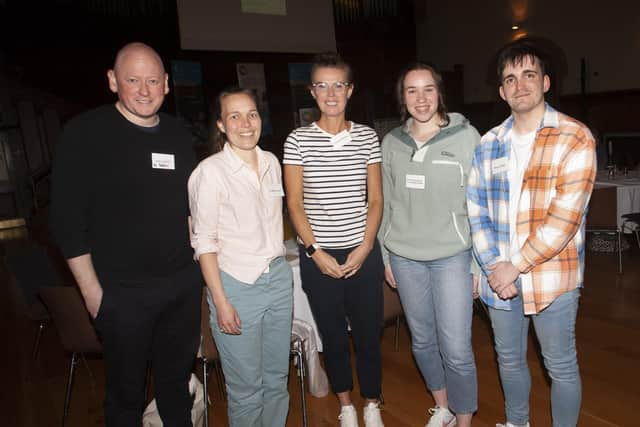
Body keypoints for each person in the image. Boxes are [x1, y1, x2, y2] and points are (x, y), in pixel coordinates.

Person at [49, 42, 202, 425]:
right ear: (113, 81)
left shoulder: (180, 135)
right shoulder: (85, 133)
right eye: (133, 80)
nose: (145, 90)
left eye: (153, 80)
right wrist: (93, 295)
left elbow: (189, 209)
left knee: (176, 390)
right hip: (121, 295)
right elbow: (66, 221)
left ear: (167, 84)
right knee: (125, 398)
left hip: (181, 290)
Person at [467, 38, 596, 427]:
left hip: (552, 276)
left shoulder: (574, 137)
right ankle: (517, 422)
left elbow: (564, 219)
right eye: (510, 78)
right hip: (499, 276)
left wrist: (515, 265)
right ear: (502, 91)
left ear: (545, 82)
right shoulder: (489, 144)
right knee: (508, 360)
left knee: (559, 366)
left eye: (528, 75)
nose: (519, 84)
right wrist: (492, 267)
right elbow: (476, 210)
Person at [283, 52, 385, 427]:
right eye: (322, 86)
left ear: (350, 90)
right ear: (312, 92)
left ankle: (371, 401)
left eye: (338, 85)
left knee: (368, 334)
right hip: (318, 255)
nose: (330, 93)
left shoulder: (367, 137)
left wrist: (366, 245)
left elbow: (375, 199)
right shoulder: (297, 141)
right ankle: (346, 404)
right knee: (333, 336)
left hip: (363, 251)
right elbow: (294, 204)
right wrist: (314, 251)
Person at [378, 62, 480, 427]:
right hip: (404, 257)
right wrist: (386, 254)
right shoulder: (391, 143)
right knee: (421, 340)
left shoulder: (467, 137)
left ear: (440, 93)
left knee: (456, 347)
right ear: (402, 98)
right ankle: (443, 407)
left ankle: (465, 418)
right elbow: (385, 203)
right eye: (411, 91)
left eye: (428, 90)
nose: (421, 99)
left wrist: (476, 265)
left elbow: (478, 204)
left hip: (453, 255)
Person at [188, 87, 293, 426]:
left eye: (252, 114)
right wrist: (220, 301)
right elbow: (204, 242)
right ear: (220, 124)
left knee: (277, 380)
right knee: (246, 390)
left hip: (278, 278)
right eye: (234, 116)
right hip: (236, 286)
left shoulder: (272, 163)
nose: (245, 123)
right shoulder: (210, 172)